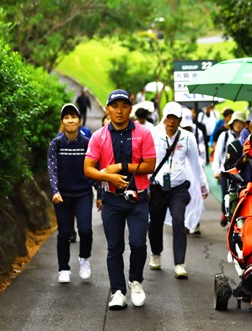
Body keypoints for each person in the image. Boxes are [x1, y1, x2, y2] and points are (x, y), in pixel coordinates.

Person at [84, 89, 156, 310]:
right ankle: (117, 291)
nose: (119, 111)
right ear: (108, 109)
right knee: (114, 246)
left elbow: (149, 165)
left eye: (124, 106)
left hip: (138, 198)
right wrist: (108, 176)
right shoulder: (99, 136)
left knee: (137, 243)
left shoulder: (143, 133)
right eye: (115, 106)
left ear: (130, 109)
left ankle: (135, 282)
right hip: (112, 199)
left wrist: (122, 167)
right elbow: (88, 169)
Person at [148, 101, 209, 279]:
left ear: (180, 120)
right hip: (158, 187)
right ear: (164, 118)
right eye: (169, 118)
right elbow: (145, 160)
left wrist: (203, 185)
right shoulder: (154, 134)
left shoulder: (187, 137)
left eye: (176, 118)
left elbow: (196, 163)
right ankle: (156, 254)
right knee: (155, 223)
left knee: (178, 220)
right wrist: (145, 185)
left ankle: (179, 263)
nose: (172, 122)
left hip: (179, 188)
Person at [47, 103, 94, 284]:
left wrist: (100, 194)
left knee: (85, 230)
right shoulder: (56, 144)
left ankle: (84, 259)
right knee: (64, 233)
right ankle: (64, 268)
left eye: (73, 116)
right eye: (66, 117)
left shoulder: (87, 144)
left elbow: (92, 170)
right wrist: (55, 191)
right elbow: (52, 170)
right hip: (63, 195)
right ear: (62, 122)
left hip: (83, 193)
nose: (70, 120)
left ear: (79, 120)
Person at [212, 110, 246, 226]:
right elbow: (217, 154)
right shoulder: (225, 135)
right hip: (226, 171)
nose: (238, 124)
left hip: (241, 172)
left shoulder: (246, 138)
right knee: (226, 194)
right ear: (232, 123)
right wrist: (216, 171)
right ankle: (225, 212)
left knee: (240, 196)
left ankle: (236, 220)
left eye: (241, 122)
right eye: (236, 122)